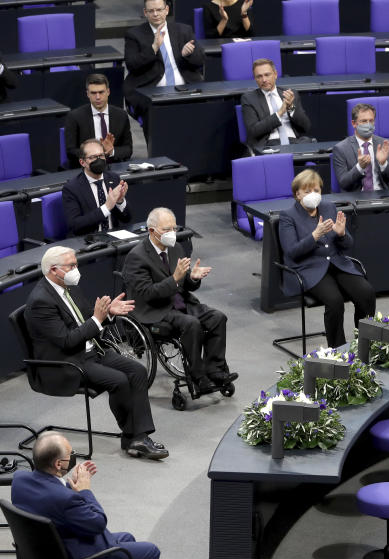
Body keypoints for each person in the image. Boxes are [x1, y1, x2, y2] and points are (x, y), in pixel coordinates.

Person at [25, 247, 168, 460]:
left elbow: (86, 318)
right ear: (54, 270)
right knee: (119, 380)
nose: (76, 269)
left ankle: (137, 437)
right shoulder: (40, 301)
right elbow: (66, 340)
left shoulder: (69, 286)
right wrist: (98, 318)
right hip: (67, 361)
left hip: (92, 350)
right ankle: (134, 437)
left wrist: (108, 313)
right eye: (71, 266)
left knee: (137, 371)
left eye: (76, 264)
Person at [11, 432, 161, 559]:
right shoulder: (66, 499)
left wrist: (68, 486)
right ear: (58, 463)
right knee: (151, 552)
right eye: (70, 454)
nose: (73, 456)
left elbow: (51, 498)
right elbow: (98, 523)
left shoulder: (19, 480)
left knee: (128, 538)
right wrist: (85, 491)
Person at [122, 207, 237, 394]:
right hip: (156, 310)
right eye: (167, 230)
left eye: (174, 229)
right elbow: (148, 293)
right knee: (191, 324)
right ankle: (198, 377)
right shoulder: (136, 257)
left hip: (181, 302)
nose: (172, 234)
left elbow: (184, 283)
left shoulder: (176, 248)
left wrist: (193, 278)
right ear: (152, 231)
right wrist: (175, 278)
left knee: (218, 317)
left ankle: (215, 370)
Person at [278, 169, 376, 348]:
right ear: (297, 193)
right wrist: (314, 236)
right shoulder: (288, 217)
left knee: (366, 293)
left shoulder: (329, 207)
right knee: (335, 301)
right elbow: (291, 251)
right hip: (309, 268)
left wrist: (341, 234)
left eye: (316, 190)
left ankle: (366, 343)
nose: (313, 195)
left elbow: (347, 245)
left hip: (337, 263)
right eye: (307, 191)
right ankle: (338, 349)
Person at [123, 0, 205, 129]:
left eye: (159, 10)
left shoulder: (183, 30)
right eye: (151, 11)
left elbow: (200, 60)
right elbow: (132, 65)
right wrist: (154, 48)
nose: (155, 14)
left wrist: (187, 55)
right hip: (151, 90)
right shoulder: (134, 35)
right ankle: (157, 148)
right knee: (157, 125)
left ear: (166, 10)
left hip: (185, 88)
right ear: (145, 13)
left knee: (204, 111)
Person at [240, 58, 313, 153]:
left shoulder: (290, 94)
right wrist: (280, 113)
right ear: (255, 79)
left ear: (275, 74)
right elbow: (253, 131)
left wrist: (291, 108)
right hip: (268, 145)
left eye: (267, 75)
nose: (264, 80)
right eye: (259, 76)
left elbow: (306, 126)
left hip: (295, 142)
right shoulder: (249, 98)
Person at [62, 139, 132, 237]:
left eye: (101, 155)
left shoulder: (113, 178)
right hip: (89, 241)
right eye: (93, 157)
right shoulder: (72, 188)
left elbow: (127, 219)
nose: (99, 160)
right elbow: (75, 225)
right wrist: (106, 208)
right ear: (82, 162)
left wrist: (120, 201)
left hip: (114, 239)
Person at [64, 73, 133, 169]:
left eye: (101, 92)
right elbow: (70, 151)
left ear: (108, 92)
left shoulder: (121, 115)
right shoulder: (75, 117)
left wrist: (111, 151)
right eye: (93, 93)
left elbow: (128, 149)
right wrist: (95, 154)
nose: (98, 97)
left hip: (114, 167)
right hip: (87, 169)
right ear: (87, 94)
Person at [331, 103, 389, 192]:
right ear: (354, 123)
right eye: (364, 121)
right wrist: (359, 167)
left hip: (382, 197)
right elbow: (344, 183)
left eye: (371, 121)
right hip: (356, 200)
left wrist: (384, 164)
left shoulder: (385, 145)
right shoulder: (341, 148)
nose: (368, 125)